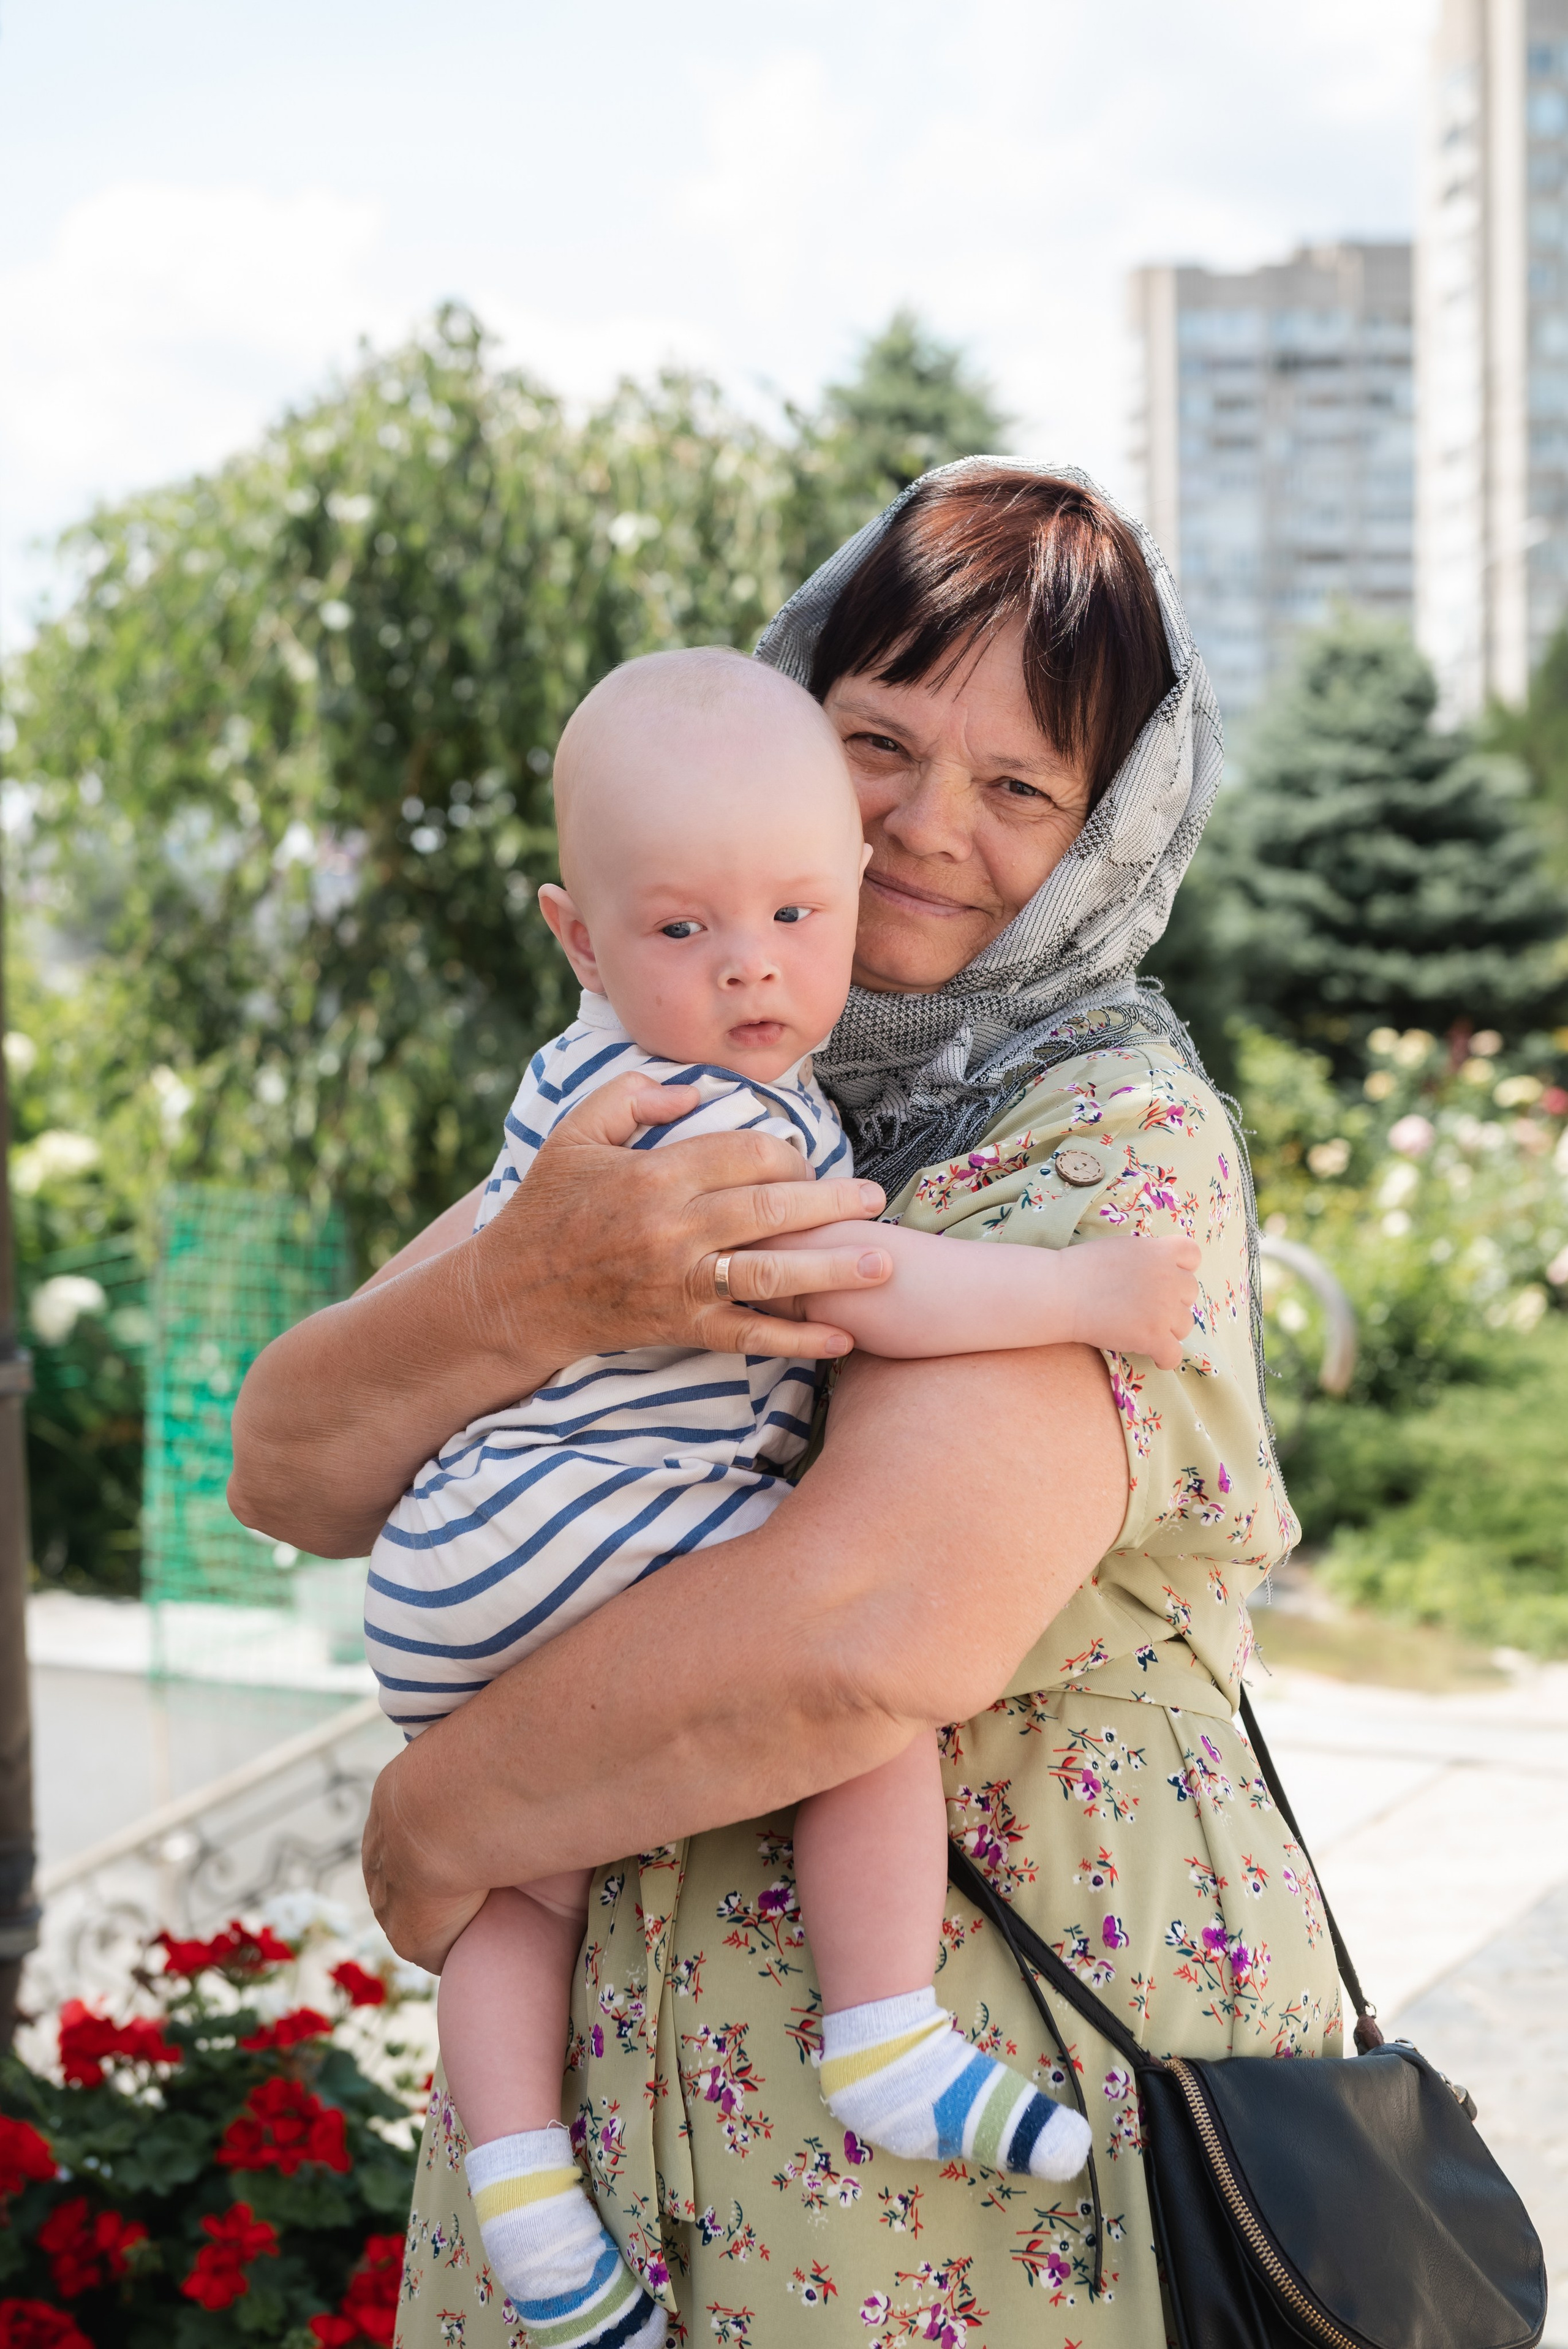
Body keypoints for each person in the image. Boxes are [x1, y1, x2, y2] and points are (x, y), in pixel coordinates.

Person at [230, 462, 1341, 2347]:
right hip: (624, 2122)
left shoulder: (1107, 1133)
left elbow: (858, 1632)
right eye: (876, 742)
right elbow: (293, 1464)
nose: (918, 827)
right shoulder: (660, 1064)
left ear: (1105, 828)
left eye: (1018, 787)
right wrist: (526, 1289)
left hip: (969, 2134)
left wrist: (444, 1815)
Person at [372, 646, 1199, 2349]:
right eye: (688, 930)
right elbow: (865, 1297)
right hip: (583, 1520)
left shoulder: (584, 1074)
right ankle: (886, 2020)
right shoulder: (712, 1113)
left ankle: (533, 2204)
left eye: (791, 917)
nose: (753, 963)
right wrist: (1089, 1296)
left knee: (518, 1892)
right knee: (859, 1697)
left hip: (465, 1554)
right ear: (581, 936)